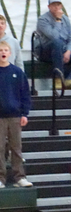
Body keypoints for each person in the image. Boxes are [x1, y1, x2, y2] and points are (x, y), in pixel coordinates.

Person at [36, 0, 71, 88]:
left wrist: (68, 52)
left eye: (58, 5)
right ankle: (58, 77)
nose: (56, 7)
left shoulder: (66, 19)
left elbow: (70, 39)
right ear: (49, 7)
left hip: (64, 48)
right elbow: (54, 36)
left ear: (61, 6)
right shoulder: (42, 19)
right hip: (47, 50)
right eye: (53, 5)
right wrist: (58, 20)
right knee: (57, 42)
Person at [0, 41, 32, 189]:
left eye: (6, 50)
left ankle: (19, 176)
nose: (3, 52)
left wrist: (24, 113)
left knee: (16, 147)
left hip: (15, 116)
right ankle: (1, 178)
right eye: (0, 50)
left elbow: (25, 94)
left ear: (10, 53)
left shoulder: (17, 72)